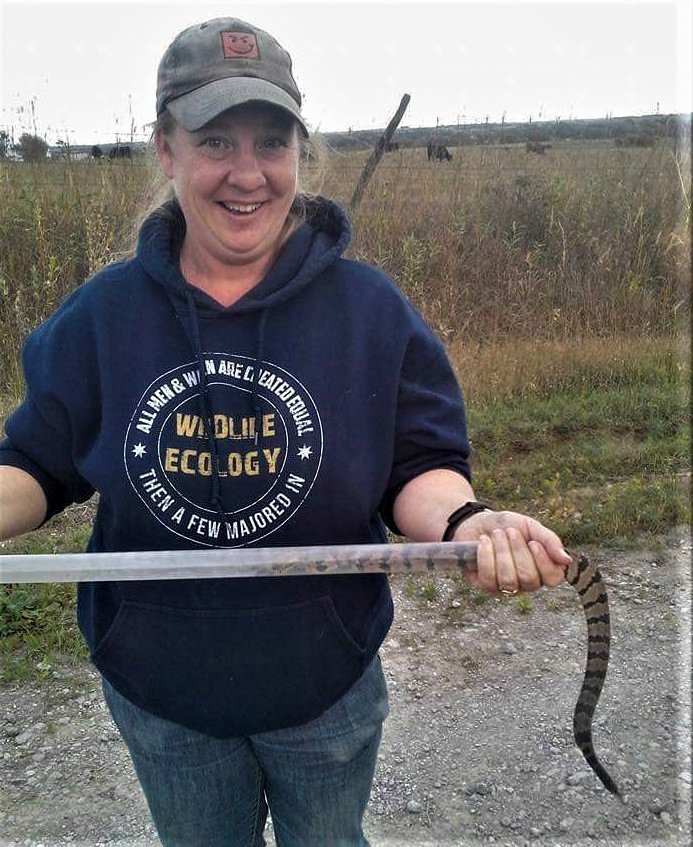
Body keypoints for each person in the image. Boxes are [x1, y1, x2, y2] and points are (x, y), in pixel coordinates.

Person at [0, 17, 570, 847]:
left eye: (271, 142)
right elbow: (35, 464)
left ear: (299, 153)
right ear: (166, 148)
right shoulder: (103, 316)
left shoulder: (368, 310)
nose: (246, 173)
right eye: (214, 140)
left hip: (324, 687)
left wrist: (466, 522)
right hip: (165, 696)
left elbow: (417, 464)